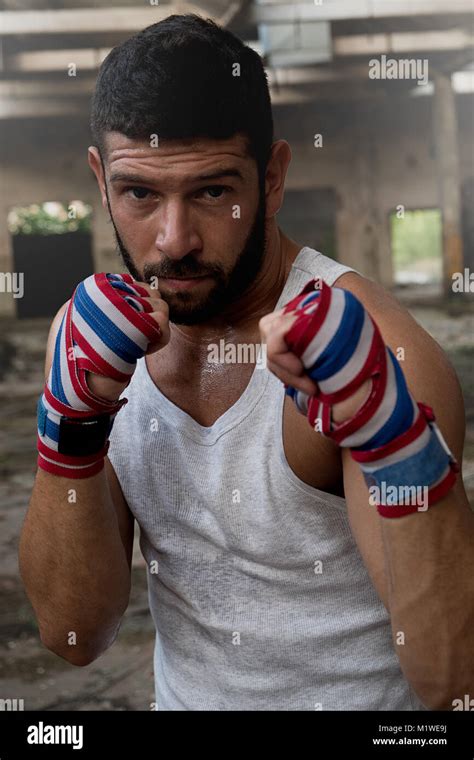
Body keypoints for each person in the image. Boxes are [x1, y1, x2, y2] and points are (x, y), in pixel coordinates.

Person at [19, 14, 473, 711]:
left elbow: (455, 685)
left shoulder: (379, 352)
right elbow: (73, 633)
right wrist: (69, 430)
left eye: (212, 192)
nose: (174, 241)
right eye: (140, 192)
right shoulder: (83, 342)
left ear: (273, 177)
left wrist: (395, 438)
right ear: (99, 178)